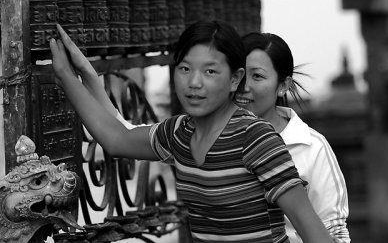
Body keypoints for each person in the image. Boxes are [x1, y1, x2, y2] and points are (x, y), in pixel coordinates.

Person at [50, 21, 334, 243]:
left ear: (235, 79)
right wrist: (72, 74)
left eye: (210, 72)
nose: (194, 83)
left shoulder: (256, 139)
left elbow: (314, 233)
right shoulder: (178, 133)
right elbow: (116, 138)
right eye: (184, 69)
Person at [234, 32, 350, 243]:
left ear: (284, 85)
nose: (244, 86)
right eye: (239, 74)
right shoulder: (210, 137)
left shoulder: (310, 146)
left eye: (257, 76)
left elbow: (334, 231)